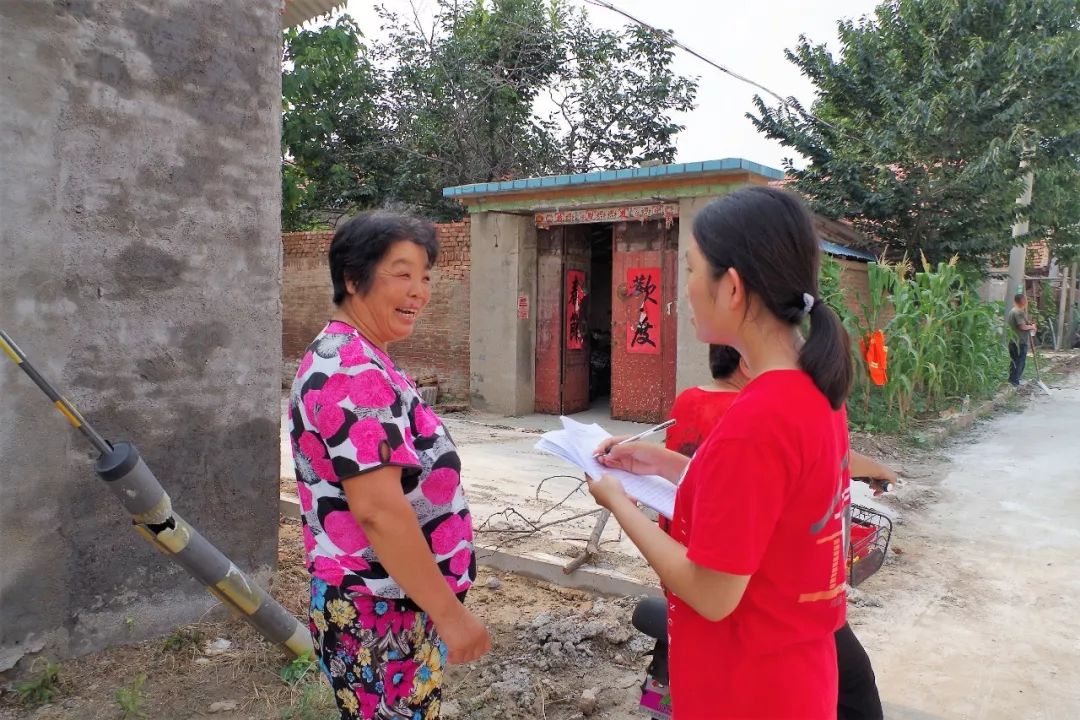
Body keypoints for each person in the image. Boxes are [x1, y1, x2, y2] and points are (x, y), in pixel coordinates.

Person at [590, 186, 854, 718]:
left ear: (731, 288)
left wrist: (619, 503)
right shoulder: (811, 390)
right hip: (794, 675)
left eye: (690, 269)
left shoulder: (757, 419)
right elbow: (772, 507)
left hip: (744, 688)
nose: (682, 290)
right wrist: (671, 465)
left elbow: (712, 594)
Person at [288, 212, 489, 720]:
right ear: (353, 278)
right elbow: (378, 509)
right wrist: (450, 615)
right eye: (402, 273)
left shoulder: (362, 357)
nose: (418, 291)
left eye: (425, 276)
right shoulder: (352, 369)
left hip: (391, 606)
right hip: (378, 613)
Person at [666, 343, 892, 720]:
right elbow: (831, 457)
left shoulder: (688, 401)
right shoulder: (751, 414)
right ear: (745, 360)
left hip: (690, 563)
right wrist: (880, 470)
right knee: (855, 684)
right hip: (758, 585)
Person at [1007, 293, 1037, 386]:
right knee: (1020, 361)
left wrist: (1029, 324)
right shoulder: (1018, 312)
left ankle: (1012, 380)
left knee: (1014, 361)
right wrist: (1031, 327)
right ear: (1022, 301)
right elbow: (1022, 327)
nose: (1027, 302)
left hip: (1013, 341)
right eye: (1026, 300)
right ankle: (1015, 381)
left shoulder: (1012, 311)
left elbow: (1023, 324)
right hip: (1019, 342)